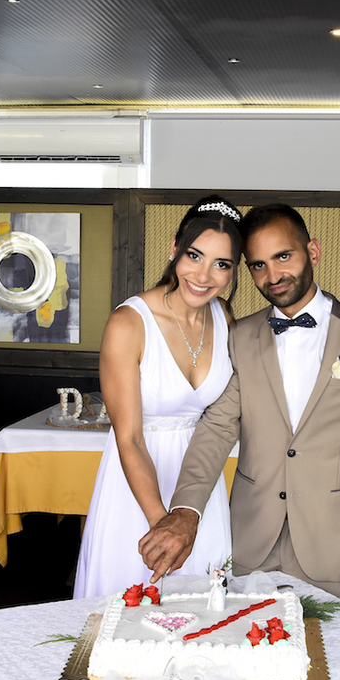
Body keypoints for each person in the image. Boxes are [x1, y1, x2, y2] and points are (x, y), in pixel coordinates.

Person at [139, 203, 340, 604]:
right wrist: (185, 510)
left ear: (313, 252)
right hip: (251, 543)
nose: (273, 275)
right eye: (258, 265)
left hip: (336, 547)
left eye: (284, 256)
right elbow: (217, 428)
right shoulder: (240, 336)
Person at [72, 196, 243, 599]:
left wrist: (188, 517)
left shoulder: (224, 317)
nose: (203, 275)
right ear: (174, 248)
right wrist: (163, 524)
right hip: (136, 486)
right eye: (194, 256)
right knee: (128, 604)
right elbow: (129, 437)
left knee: (205, 607)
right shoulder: (129, 323)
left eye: (221, 264)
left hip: (200, 485)